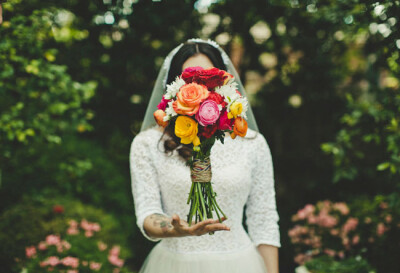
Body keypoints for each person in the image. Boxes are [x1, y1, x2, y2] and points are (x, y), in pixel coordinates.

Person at [129, 38, 281, 273]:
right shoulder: (147, 144)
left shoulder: (252, 143)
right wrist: (174, 228)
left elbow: (264, 221)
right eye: (191, 80)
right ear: (175, 88)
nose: (201, 90)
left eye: (208, 79)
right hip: (174, 264)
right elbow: (147, 213)